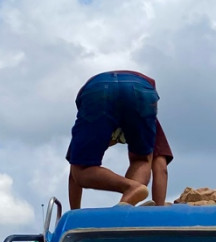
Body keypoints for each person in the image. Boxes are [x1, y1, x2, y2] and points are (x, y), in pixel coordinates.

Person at [66, 71, 167, 209]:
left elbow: (75, 170)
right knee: (142, 159)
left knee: (81, 170)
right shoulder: (150, 122)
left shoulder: (91, 124)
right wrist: (159, 211)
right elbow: (161, 166)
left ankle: (129, 197)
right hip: (140, 90)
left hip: (98, 90)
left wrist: (75, 212)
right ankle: (128, 201)